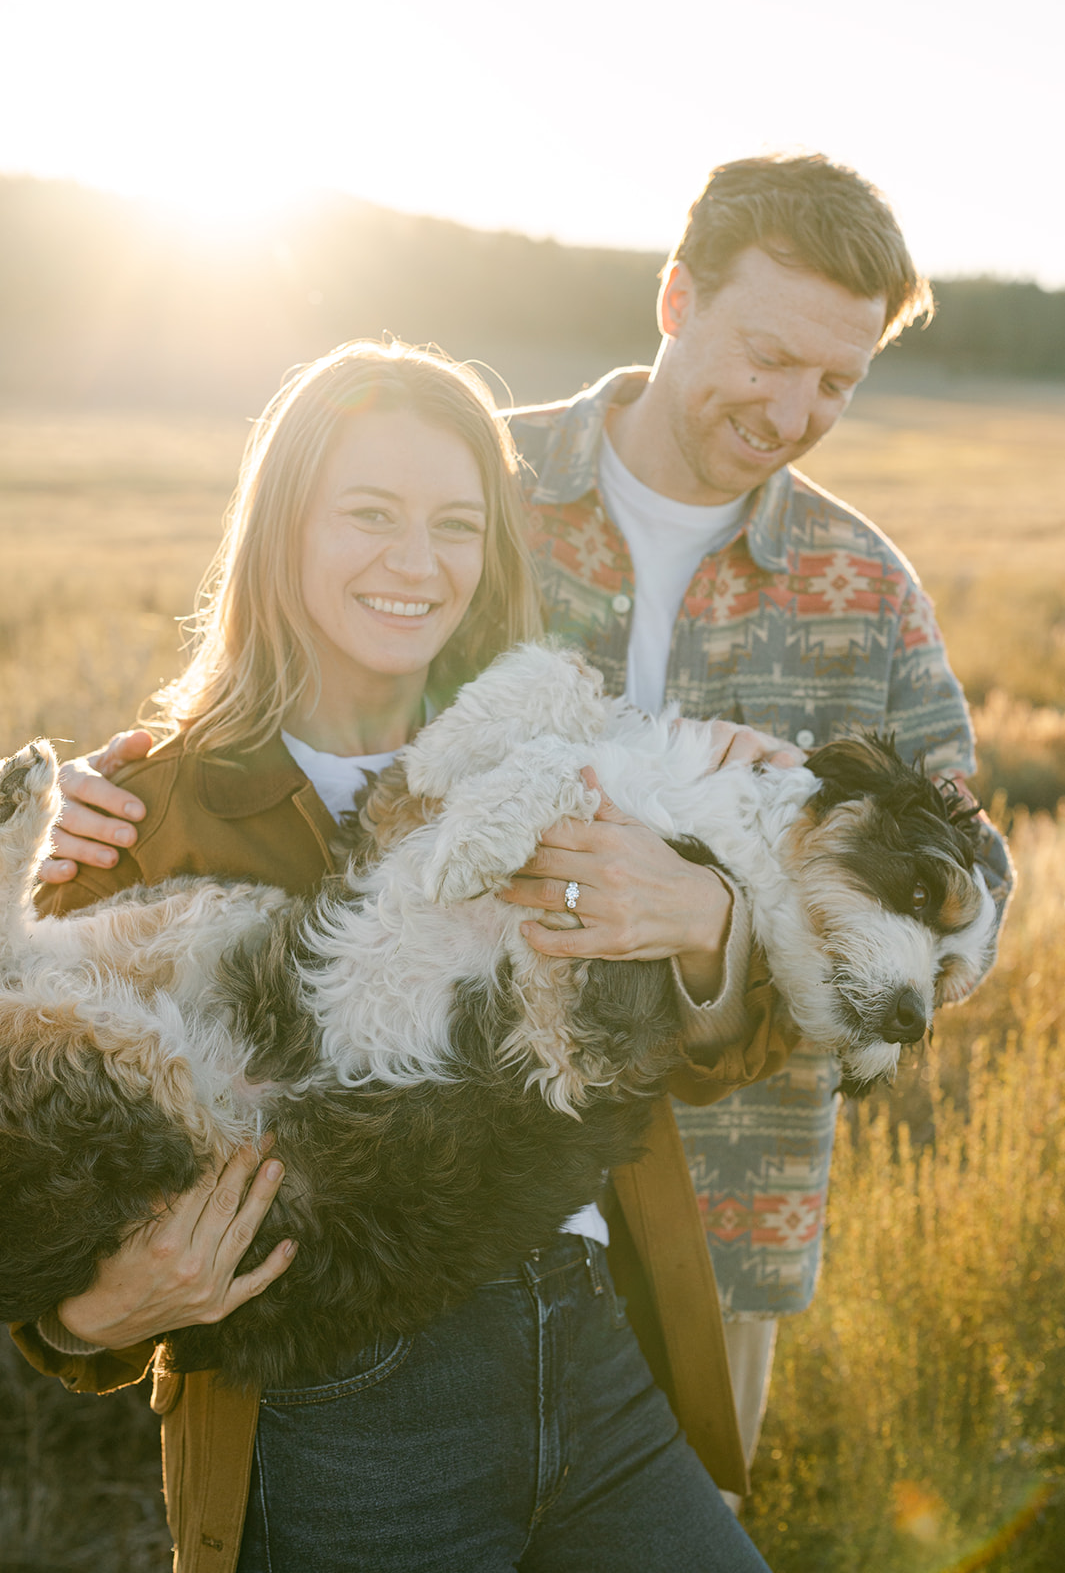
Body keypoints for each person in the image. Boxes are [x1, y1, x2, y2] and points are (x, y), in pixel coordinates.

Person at [44, 153, 1015, 1501]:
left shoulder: (871, 587)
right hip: (377, 1196)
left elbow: (969, 887)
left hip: (703, 1219)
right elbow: (283, 679)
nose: (793, 409)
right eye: (768, 352)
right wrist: (105, 792)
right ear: (676, 299)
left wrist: (718, 928)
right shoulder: (469, 480)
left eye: (837, 383)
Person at [16, 338, 790, 1572]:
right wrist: (91, 1318)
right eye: (369, 515)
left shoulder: (561, 756)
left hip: (598, 1348)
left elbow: (719, 1052)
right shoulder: (135, 809)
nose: (418, 564)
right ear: (282, 531)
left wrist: (708, 917)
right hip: (343, 1399)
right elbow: (40, 1157)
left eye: (457, 524)